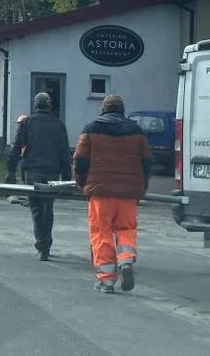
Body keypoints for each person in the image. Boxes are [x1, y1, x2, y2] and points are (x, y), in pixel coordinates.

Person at [73, 93, 152, 294]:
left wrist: (82, 183)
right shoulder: (137, 131)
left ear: (103, 109)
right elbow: (147, 161)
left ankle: (106, 280)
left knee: (102, 233)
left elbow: (80, 160)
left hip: (100, 191)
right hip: (128, 193)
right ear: (122, 110)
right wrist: (142, 186)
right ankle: (126, 262)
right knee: (126, 229)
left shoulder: (91, 129)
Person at [5, 93, 71, 261]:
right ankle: (46, 245)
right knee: (48, 207)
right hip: (52, 172)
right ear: (49, 106)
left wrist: (11, 170)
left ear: (35, 105)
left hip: (32, 171)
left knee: (35, 208)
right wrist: (67, 177)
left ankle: (41, 245)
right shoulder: (59, 124)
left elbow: (16, 147)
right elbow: (64, 153)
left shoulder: (27, 123)